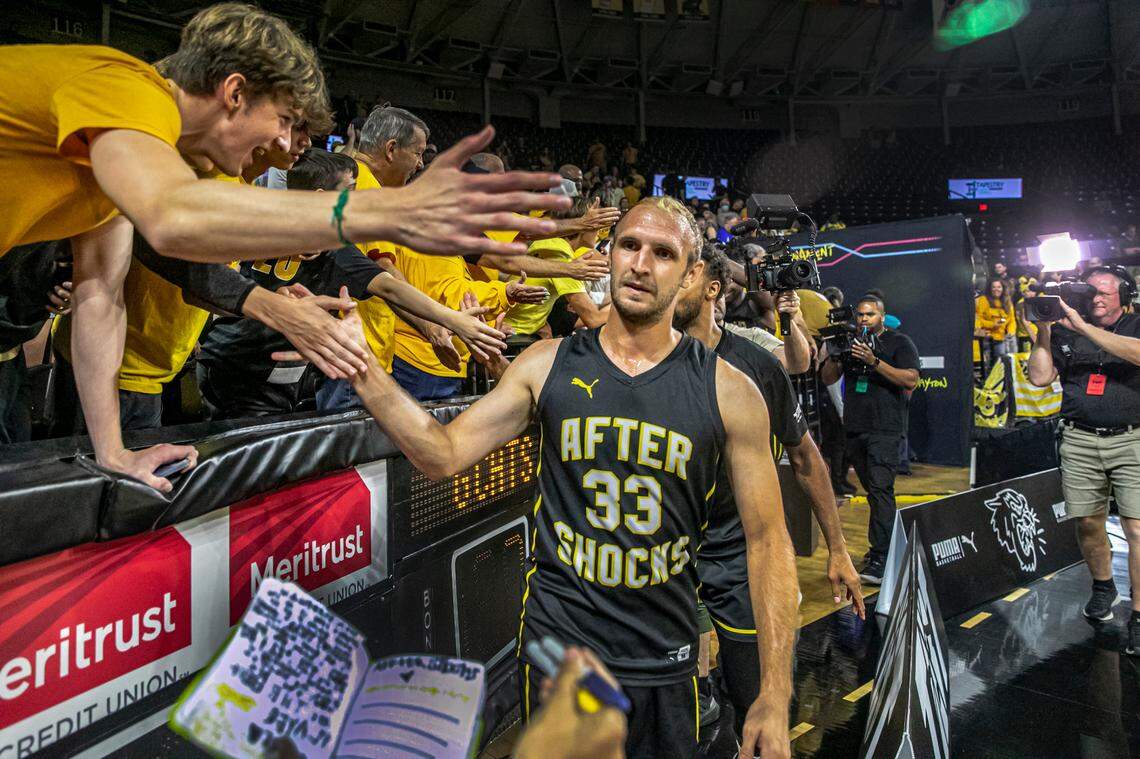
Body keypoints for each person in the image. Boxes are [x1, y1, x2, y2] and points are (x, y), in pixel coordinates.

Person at [0, 2, 568, 488]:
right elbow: (171, 221)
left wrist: (113, 452)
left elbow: (101, 294)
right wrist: (385, 211)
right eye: (284, 119)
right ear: (234, 93)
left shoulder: (119, 156)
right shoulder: (125, 89)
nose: (284, 141)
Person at [332, 196, 798, 758]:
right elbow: (443, 452)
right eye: (628, 245)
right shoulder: (546, 363)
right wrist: (362, 367)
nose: (641, 264)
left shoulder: (730, 391)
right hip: (563, 653)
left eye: (663, 252)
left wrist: (774, 693)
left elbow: (769, 543)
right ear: (609, 254)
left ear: (693, 274)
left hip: (665, 656)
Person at [673, 244, 863, 739]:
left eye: (685, 275)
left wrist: (839, 549)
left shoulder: (755, 363)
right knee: (681, 698)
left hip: (739, 549)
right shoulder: (646, 360)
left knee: (757, 690)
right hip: (669, 549)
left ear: (713, 288)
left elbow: (806, 459)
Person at [197, 150, 507, 419]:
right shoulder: (286, 233)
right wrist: (451, 319)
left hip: (262, 366)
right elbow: (389, 286)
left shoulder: (309, 237)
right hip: (243, 367)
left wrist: (444, 323)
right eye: (351, 190)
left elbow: (389, 287)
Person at [1027, 265, 1140, 656]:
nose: (1096, 298)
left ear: (1125, 296)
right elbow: (1039, 378)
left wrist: (1081, 326)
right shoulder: (1064, 330)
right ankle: (1103, 586)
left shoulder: (1135, 324)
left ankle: (1139, 616)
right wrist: (1044, 328)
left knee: (1137, 529)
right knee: (1089, 522)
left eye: (1106, 293)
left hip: (1131, 441)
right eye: (1091, 292)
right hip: (1079, 440)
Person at [820, 294, 919, 584]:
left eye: (870, 315)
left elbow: (910, 379)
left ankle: (882, 556)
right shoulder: (850, 345)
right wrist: (835, 354)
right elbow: (828, 378)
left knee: (880, 490)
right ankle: (887, 547)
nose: (864, 319)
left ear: (882, 317)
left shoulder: (899, 342)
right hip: (855, 428)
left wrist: (873, 361)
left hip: (885, 428)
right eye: (860, 315)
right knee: (873, 492)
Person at [503, 197, 609, 351]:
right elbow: (594, 319)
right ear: (582, 225)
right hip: (514, 338)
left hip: (526, 331)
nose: (599, 230)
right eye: (595, 223)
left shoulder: (552, 243)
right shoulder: (558, 252)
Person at [975, 277, 1015, 367]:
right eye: (994, 287)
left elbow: (1011, 320)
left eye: (999, 287)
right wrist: (993, 325)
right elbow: (979, 319)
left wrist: (1011, 331)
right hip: (986, 339)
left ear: (1003, 288)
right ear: (990, 289)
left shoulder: (1007, 302)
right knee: (988, 365)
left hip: (1001, 339)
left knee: (999, 365)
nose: (996, 289)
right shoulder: (983, 300)